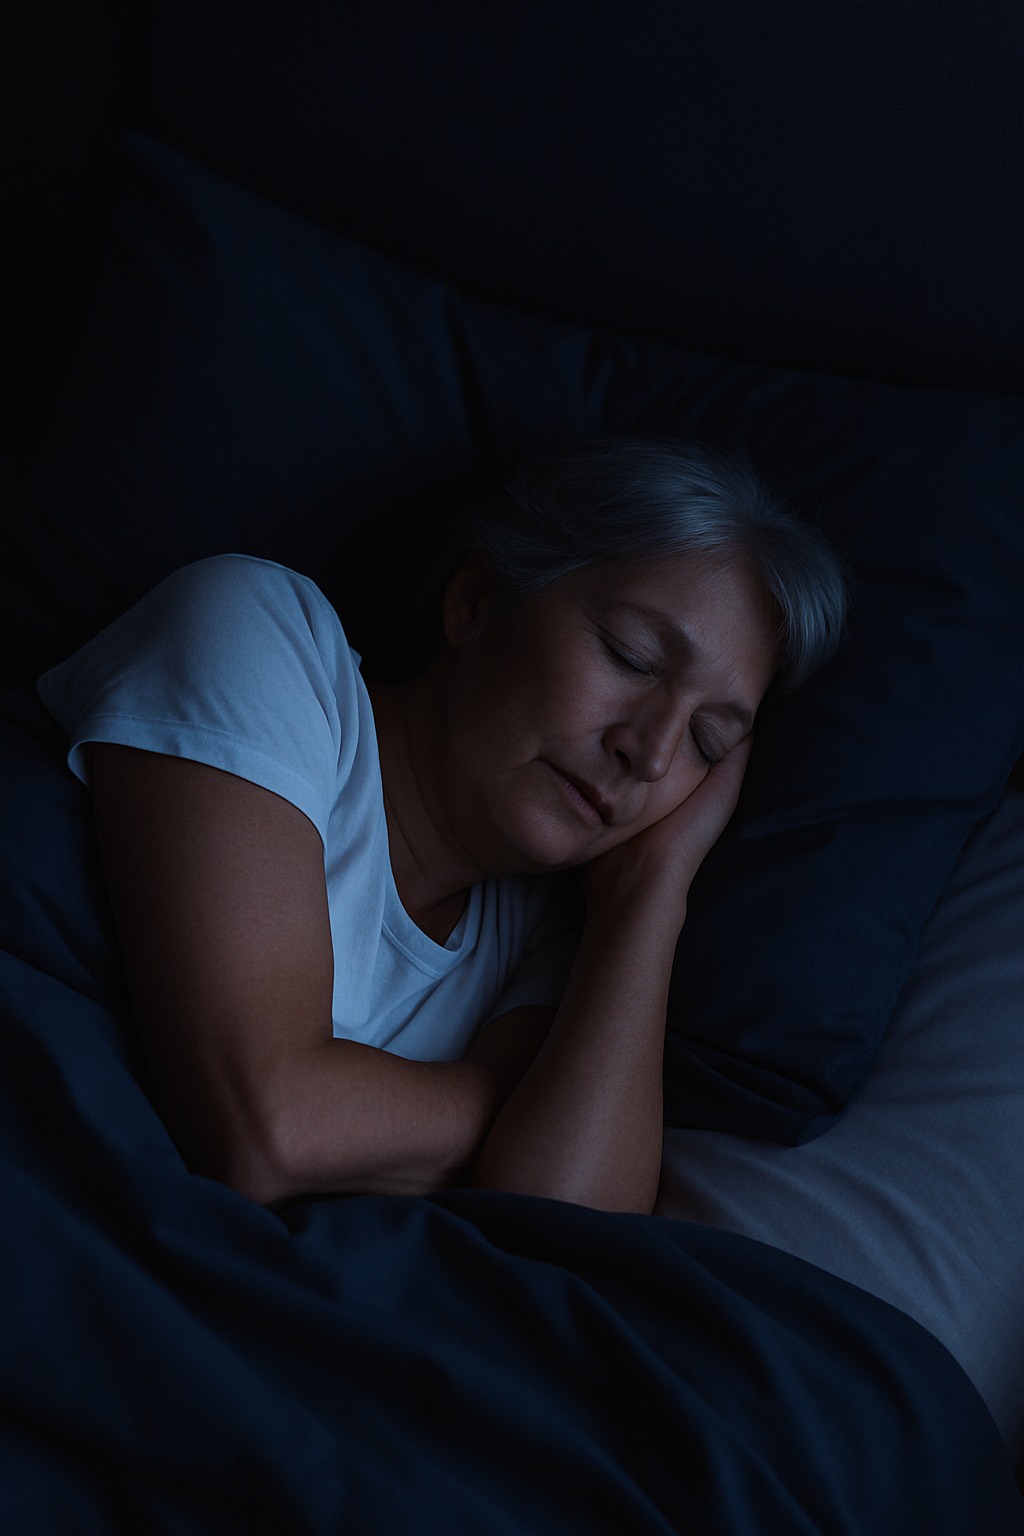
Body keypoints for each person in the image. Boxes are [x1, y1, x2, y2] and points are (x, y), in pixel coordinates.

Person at [37, 437, 846, 1215]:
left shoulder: (553, 940)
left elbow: (562, 1224)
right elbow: (267, 1128)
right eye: (632, 657)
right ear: (477, 599)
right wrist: (512, 1109)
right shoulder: (262, 636)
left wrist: (651, 900)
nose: (651, 751)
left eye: (707, 741)